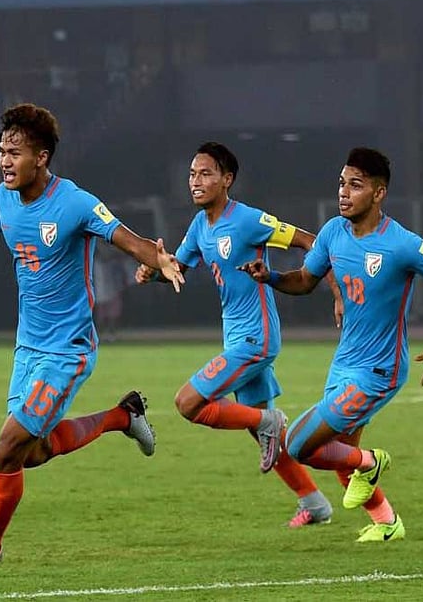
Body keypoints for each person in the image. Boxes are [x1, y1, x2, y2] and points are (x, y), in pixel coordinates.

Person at [0, 103, 185, 567]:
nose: (4, 160)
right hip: (28, 348)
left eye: (14, 152)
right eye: (1, 150)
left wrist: (157, 258)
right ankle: (123, 417)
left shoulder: (75, 202)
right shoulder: (4, 198)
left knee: (6, 446)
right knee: (31, 454)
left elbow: (124, 236)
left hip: (69, 350)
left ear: (41, 157)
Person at [240, 147, 423, 542]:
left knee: (298, 443)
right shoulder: (333, 231)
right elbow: (305, 280)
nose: (344, 193)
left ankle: (372, 461)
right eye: (341, 184)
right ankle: (388, 523)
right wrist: (272, 277)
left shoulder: (400, 244)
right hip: (345, 363)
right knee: (339, 457)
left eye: (355, 185)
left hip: (379, 371)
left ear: (379, 193)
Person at [136, 142, 338, 527]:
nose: (196, 181)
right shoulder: (200, 225)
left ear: (227, 180)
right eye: (192, 174)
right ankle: (314, 504)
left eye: (206, 173)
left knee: (188, 403)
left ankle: (272, 422)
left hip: (257, 339)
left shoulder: (247, 220)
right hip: (236, 338)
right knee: (256, 426)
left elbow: (311, 241)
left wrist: (332, 288)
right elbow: (181, 269)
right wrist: (155, 271)